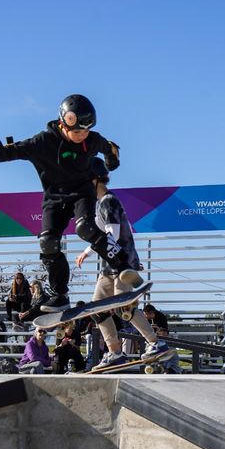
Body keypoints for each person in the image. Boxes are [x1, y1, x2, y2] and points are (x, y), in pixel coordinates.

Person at [0, 94, 143, 312]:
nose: (82, 136)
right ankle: (60, 295)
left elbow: (109, 148)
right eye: (77, 132)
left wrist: (112, 160)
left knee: (85, 228)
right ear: (63, 123)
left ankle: (123, 265)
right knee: (47, 242)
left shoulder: (92, 139)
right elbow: (14, 150)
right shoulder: (43, 142)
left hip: (81, 193)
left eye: (86, 131)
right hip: (54, 198)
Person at [75, 158, 170, 370]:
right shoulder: (98, 204)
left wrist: (87, 251)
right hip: (108, 266)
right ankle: (115, 352)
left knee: (123, 308)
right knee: (96, 310)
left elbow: (113, 234)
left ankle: (156, 343)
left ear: (94, 180)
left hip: (122, 264)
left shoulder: (109, 200)